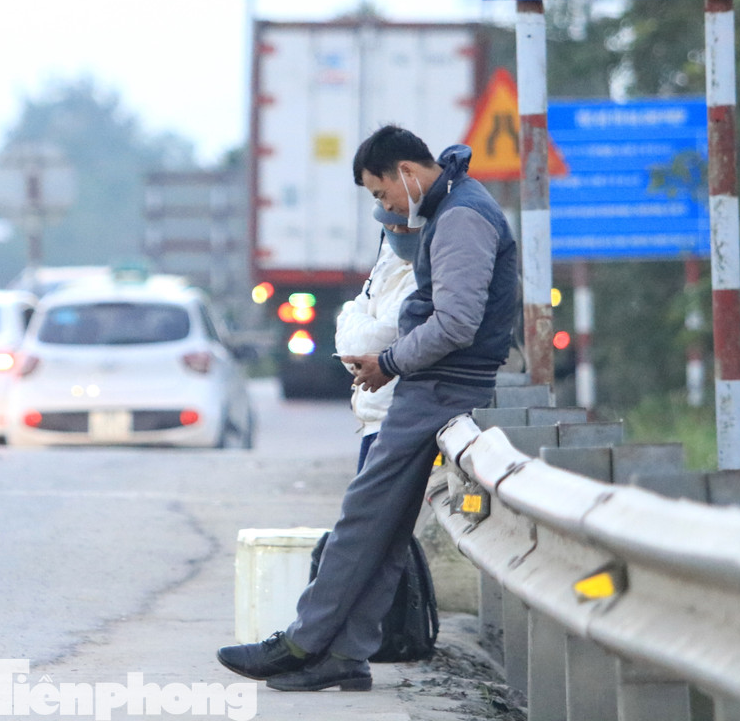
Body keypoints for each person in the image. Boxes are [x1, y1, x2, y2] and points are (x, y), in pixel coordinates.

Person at [217, 125, 518, 693]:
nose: (385, 208)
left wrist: (389, 362)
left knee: (361, 521)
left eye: (381, 194)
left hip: (440, 387)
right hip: (437, 384)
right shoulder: (455, 206)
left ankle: (302, 643)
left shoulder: (460, 218)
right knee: (383, 533)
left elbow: (455, 323)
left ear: (406, 171)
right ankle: (346, 656)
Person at [335, 203, 419, 472]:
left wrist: (356, 320)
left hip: (395, 421)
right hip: (373, 418)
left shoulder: (424, 277)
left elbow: (372, 341)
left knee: (367, 512)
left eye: (404, 225)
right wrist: (359, 321)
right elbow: (357, 338)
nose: (397, 232)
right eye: (389, 225)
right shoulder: (387, 262)